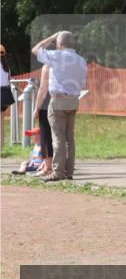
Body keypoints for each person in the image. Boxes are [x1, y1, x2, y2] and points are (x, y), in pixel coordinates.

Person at [31, 31, 88, 182]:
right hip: (74, 100)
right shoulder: (81, 60)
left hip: (58, 101)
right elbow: (82, 83)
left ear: (59, 43)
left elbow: (35, 49)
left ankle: (57, 171)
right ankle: (69, 171)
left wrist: (51, 37)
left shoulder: (57, 55)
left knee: (58, 138)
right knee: (70, 137)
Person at [33, 65, 53, 178]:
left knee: (46, 137)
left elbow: (43, 88)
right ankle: (59, 165)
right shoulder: (62, 65)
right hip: (62, 102)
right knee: (61, 137)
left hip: (46, 104)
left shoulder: (47, 67)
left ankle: (47, 166)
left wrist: (36, 108)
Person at [0, 44, 12, 145]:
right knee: (1, 122)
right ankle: (1, 144)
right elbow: (8, 82)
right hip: (6, 96)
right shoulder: (7, 67)